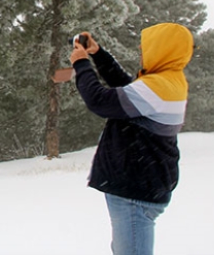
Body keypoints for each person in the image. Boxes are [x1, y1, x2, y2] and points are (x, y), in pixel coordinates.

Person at [69, 23, 194, 255]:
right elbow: (127, 89)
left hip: (135, 192)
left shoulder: (158, 87)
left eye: (147, 46)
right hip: (140, 186)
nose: (141, 49)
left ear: (163, 49)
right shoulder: (169, 81)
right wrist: (98, 54)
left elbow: (100, 100)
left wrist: (81, 63)